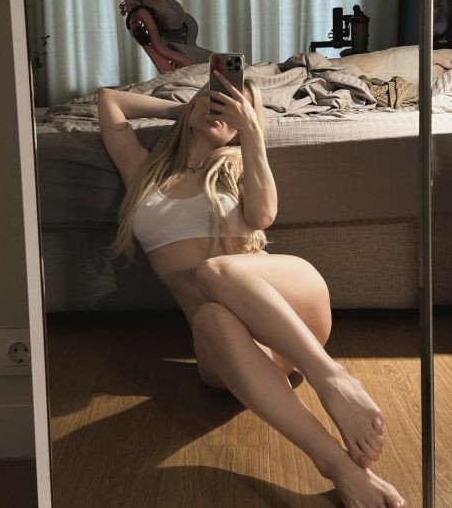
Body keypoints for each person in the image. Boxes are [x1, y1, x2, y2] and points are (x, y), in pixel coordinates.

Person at [97, 72, 407, 508]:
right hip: (228, 352)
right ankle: (341, 468)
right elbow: (109, 100)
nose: (222, 107)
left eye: (235, 106)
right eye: (214, 97)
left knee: (214, 271)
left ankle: (332, 380)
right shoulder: (144, 170)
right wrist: (186, 108)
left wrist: (251, 132)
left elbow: (263, 216)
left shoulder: (238, 165)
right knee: (210, 314)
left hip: (291, 307)